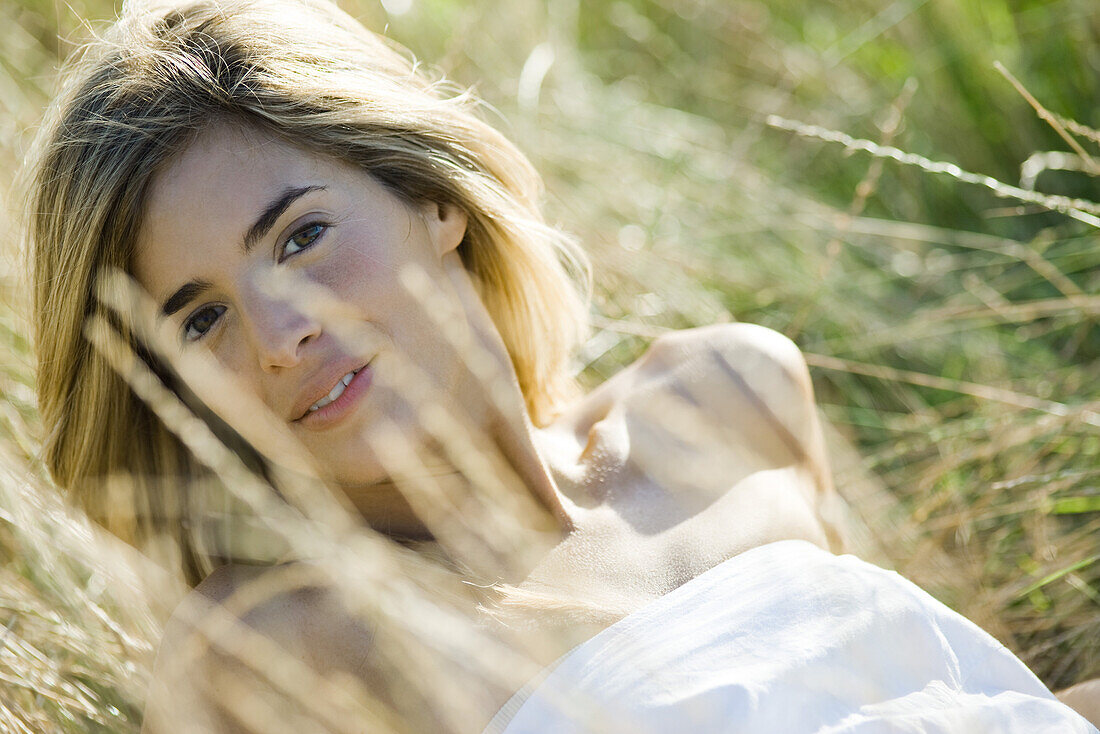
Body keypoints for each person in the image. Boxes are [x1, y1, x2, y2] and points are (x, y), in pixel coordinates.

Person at [25, 0, 1099, 731]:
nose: (276, 332)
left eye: (300, 237)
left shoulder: (728, 395)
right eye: (199, 316)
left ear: (432, 200)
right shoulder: (275, 644)